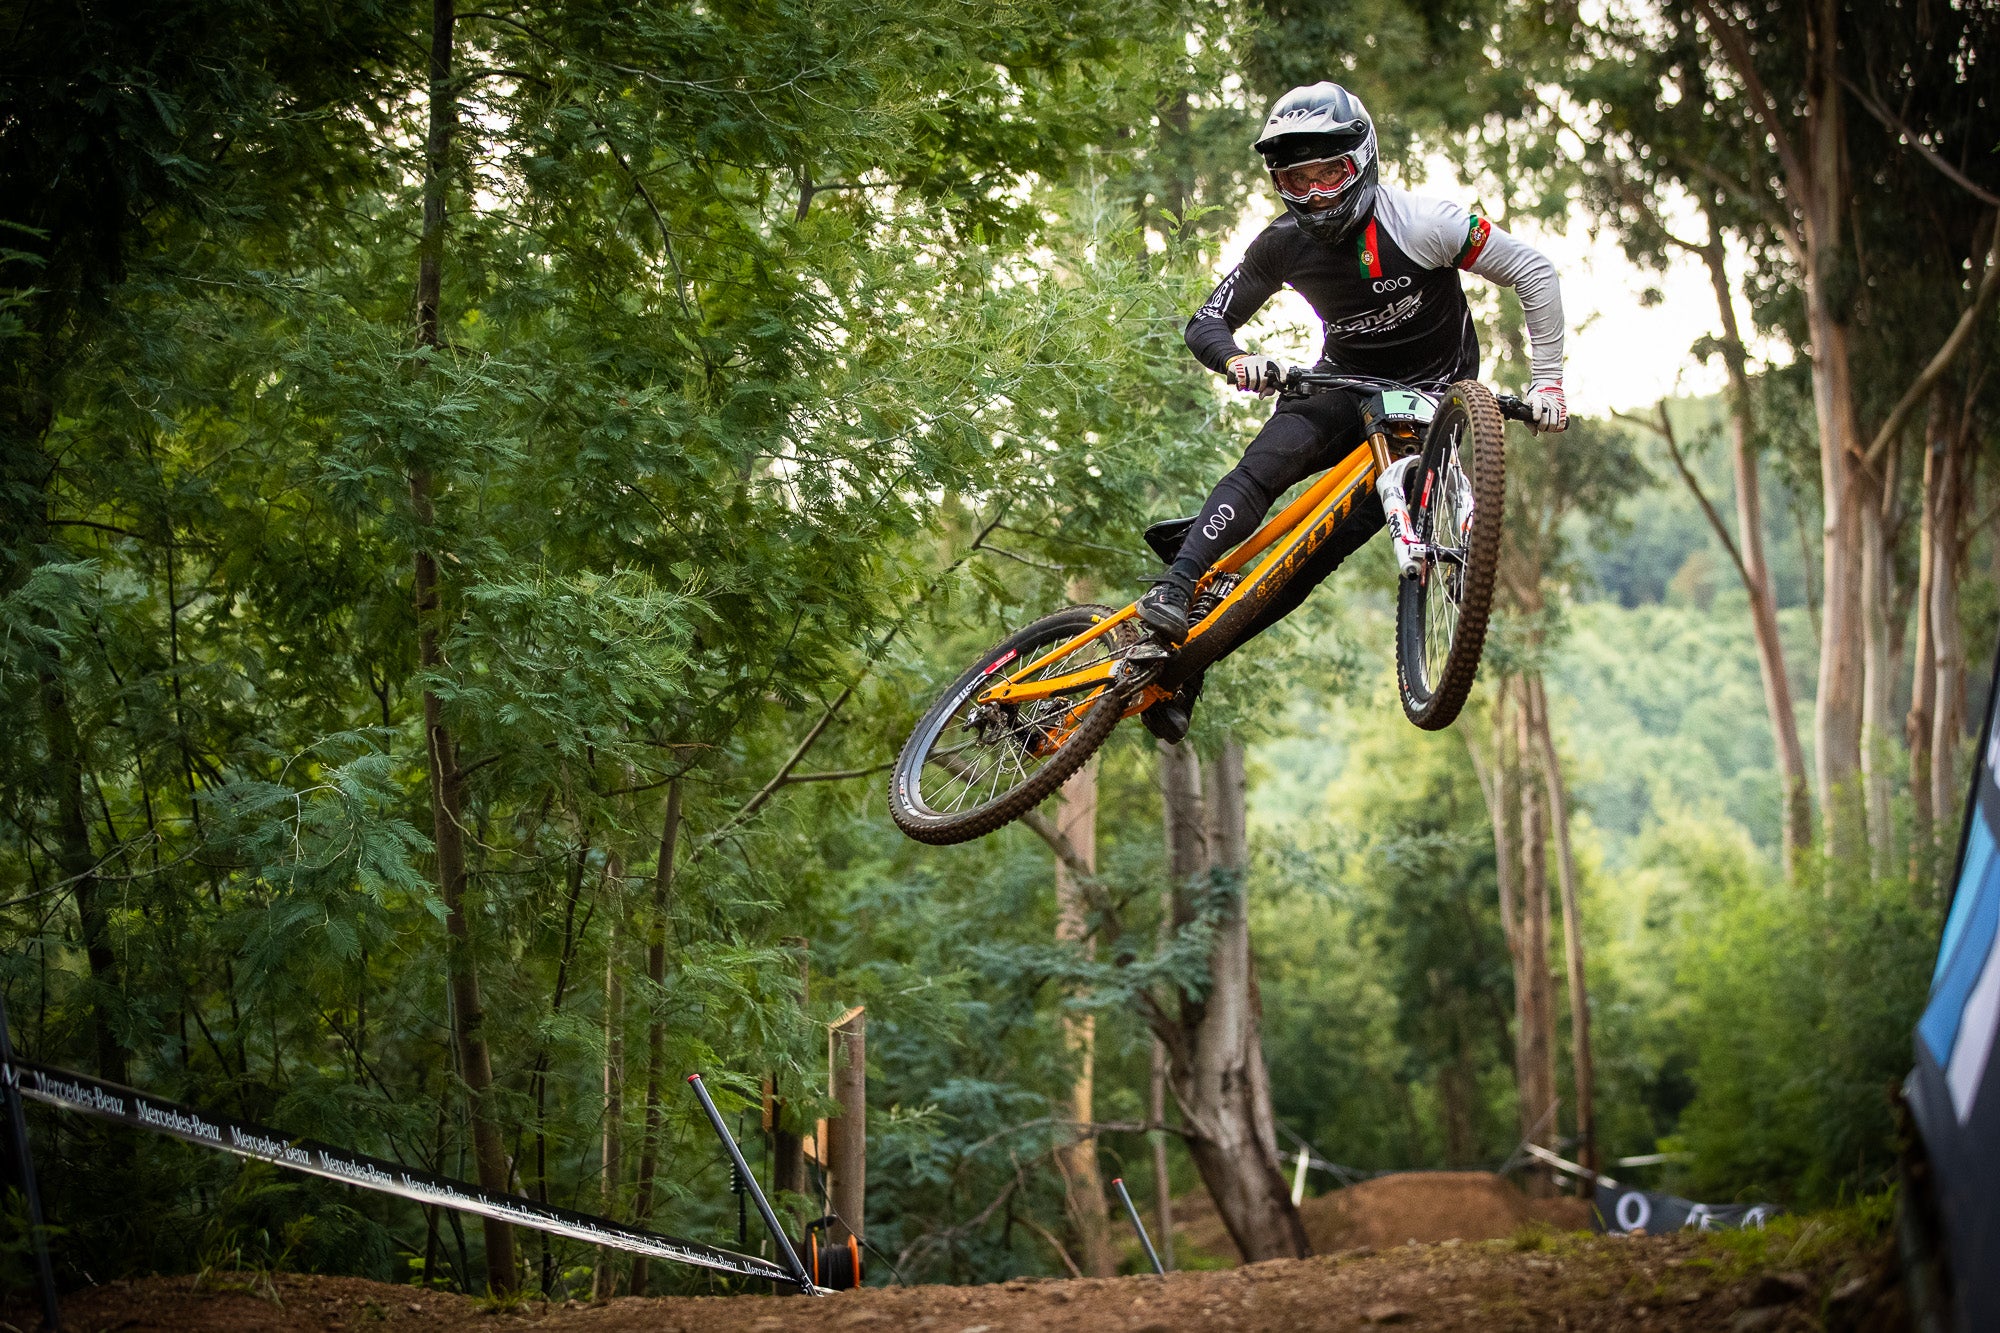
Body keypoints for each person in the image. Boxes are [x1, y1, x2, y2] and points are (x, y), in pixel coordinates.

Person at [1135, 81, 1569, 744]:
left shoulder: (1426, 223)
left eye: (1328, 175)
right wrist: (1238, 360)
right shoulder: (1281, 243)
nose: (1314, 195)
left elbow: (1534, 272)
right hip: (1343, 384)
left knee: (1309, 562)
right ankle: (1176, 587)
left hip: (1430, 402)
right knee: (1265, 469)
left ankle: (1192, 662)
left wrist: (1549, 384)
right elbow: (1207, 322)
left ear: (1362, 161)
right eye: (1296, 180)